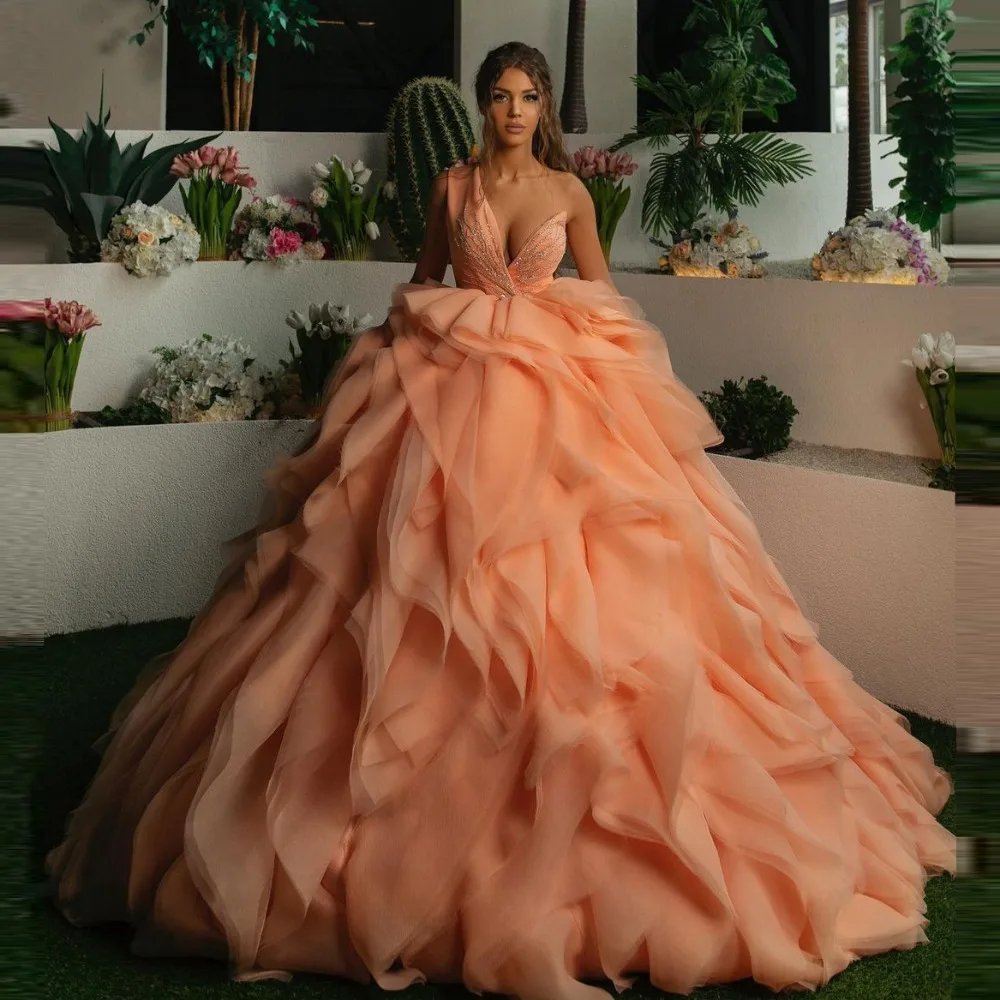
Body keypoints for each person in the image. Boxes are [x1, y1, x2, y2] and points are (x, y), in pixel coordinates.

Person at [45, 41, 956, 1000]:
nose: (513, 109)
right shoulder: (449, 184)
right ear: (481, 106)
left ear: (544, 105)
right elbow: (427, 282)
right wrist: (394, 362)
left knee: (591, 588)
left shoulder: (568, 193)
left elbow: (602, 292)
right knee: (403, 579)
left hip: (554, 395)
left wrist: (591, 360)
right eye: (499, 96)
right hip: (451, 392)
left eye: (527, 96)